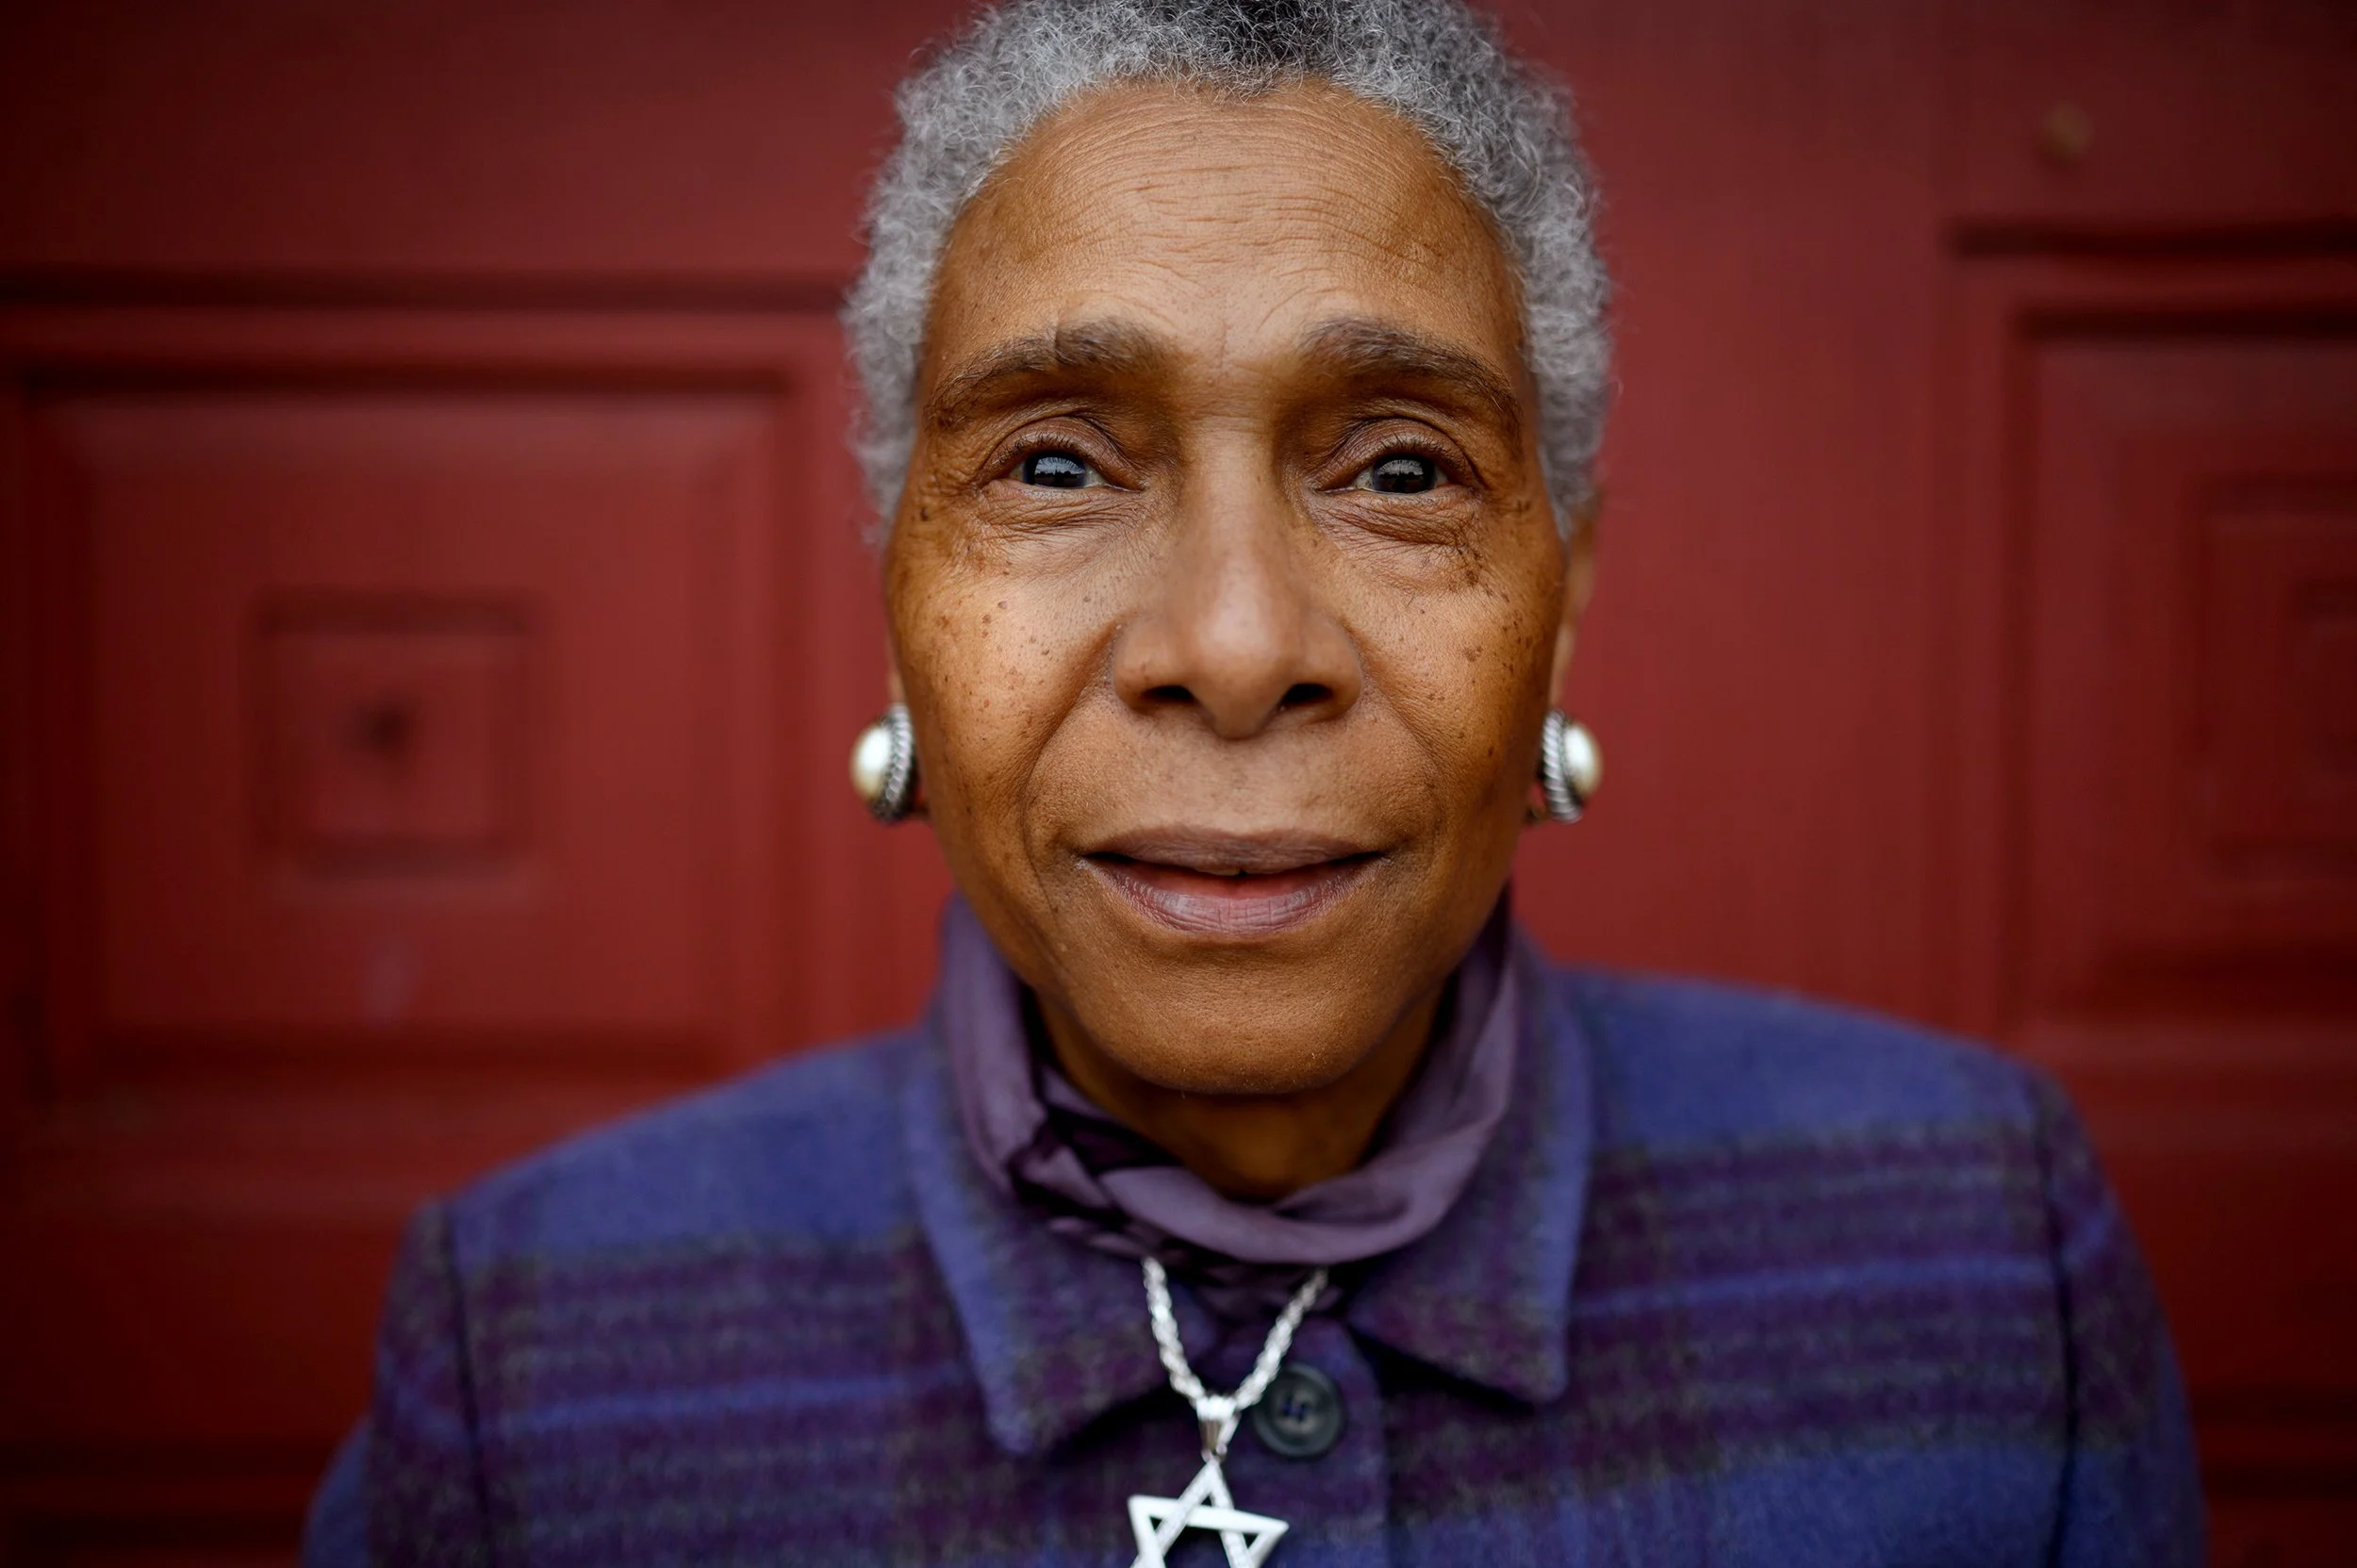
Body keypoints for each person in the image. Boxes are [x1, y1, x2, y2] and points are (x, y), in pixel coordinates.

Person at [303, 0, 2202, 1561]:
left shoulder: (1963, 1257)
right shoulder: (539, 1362)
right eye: (1052, 468)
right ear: (893, 609)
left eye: (1396, 471)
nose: (1226, 647)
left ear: (1560, 612)